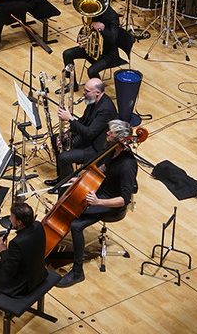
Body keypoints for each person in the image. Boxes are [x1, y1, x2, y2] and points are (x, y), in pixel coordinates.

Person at [57, 119, 138, 288]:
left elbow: (124, 199)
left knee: (76, 225)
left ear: (120, 138)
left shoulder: (127, 165)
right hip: (100, 192)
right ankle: (54, 242)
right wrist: (81, 179)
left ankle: (77, 272)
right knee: (66, 196)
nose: (107, 133)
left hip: (110, 204)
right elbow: (104, 168)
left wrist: (98, 201)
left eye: (111, 133)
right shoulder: (112, 150)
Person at [45, 78, 118, 185]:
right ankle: (62, 178)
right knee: (55, 138)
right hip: (87, 139)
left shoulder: (106, 109)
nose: (83, 93)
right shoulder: (93, 100)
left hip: (96, 149)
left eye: (87, 91)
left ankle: (66, 186)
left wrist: (70, 119)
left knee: (64, 157)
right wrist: (67, 134)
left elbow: (89, 133)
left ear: (97, 93)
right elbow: (83, 121)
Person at [60, 0, 123, 89]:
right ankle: (72, 84)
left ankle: (99, 91)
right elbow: (88, 28)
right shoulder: (95, 11)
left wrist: (102, 28)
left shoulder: (112, 16)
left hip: (108, 55)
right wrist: (82, 38)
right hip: (93, 50)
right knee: (67, 54)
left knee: (91, 71)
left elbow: (113, 39)